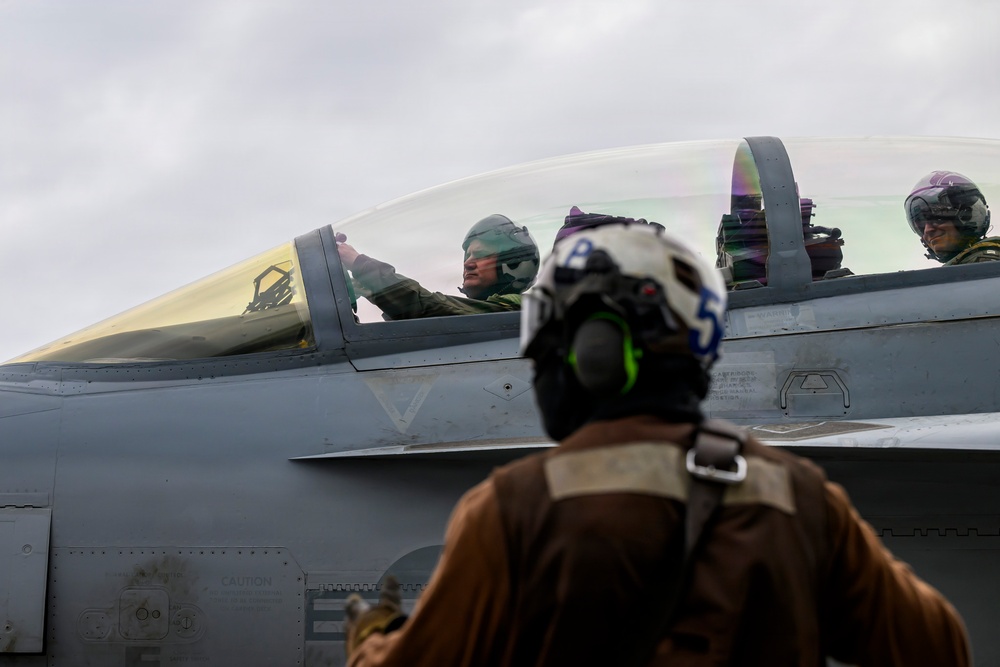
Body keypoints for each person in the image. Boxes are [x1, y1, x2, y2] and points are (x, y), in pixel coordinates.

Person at [345, 224, 970, 666]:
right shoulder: (801, 496)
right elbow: (937, 647)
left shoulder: (515, 509)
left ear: (589, 353)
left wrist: (372, 637)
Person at [336, 214, 539, 320]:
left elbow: (427, 307)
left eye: (481, 255)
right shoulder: (482, 319)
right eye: (467, 255)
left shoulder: (513, 310)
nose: (468, 263)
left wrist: (359, 264)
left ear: (514, 265)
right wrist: (363, 285)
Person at [905, 170, 998, 265]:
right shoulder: (962, 270)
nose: (927, 230)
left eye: (937, 218)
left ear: (967, 215)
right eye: (921, 226)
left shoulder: (984, 264)